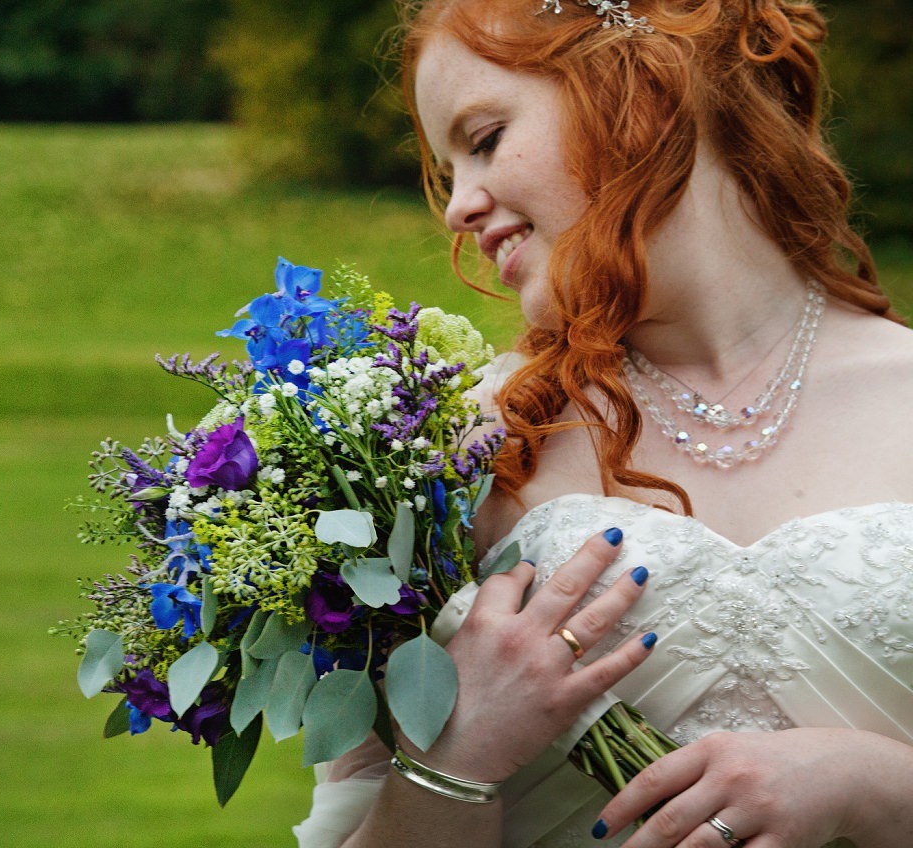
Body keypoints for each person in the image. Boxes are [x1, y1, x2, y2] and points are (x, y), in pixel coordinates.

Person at [293, 0, 913, 845]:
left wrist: (873, 784)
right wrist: (458, 760)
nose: (457, 210)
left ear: (640, 89)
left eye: (483, 139)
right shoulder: (453, 455)